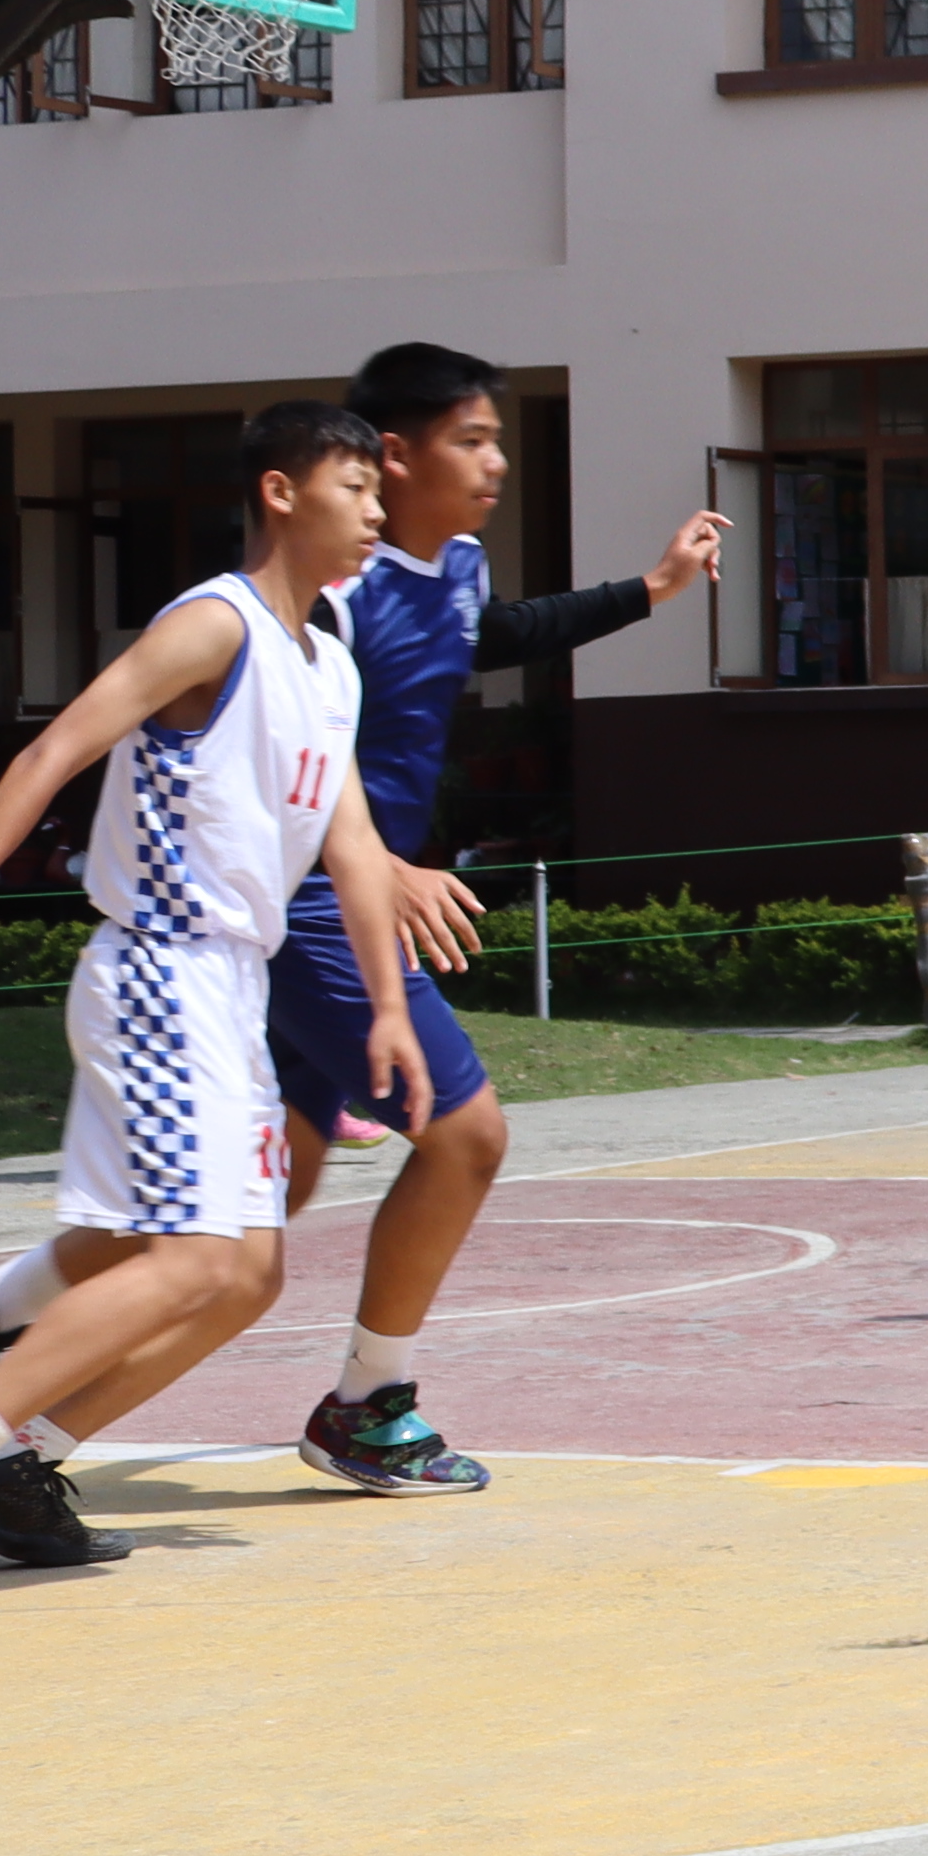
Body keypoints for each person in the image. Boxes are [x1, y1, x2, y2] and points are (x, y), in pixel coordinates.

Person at [0, 407, 429, 1573]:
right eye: (354, 485)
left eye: (377, 492)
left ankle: (6, 1460)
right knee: (199, 1256)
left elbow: (352, 849)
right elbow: (54, 750)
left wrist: (390, 1009)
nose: (373, 511)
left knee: (242, 1272)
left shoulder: (331, 665)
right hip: (159, 963)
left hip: (225, 986)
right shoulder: (216, 625)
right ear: (280, 492)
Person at [243, 343, 725, 1496]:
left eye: (497, 438)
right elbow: (269, 762)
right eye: (473, 438)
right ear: (391, 456)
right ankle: (369, 1402)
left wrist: (650, 591)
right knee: (465, 1136)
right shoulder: (324, 602)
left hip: (339, 900)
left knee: (271, 1190)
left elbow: (493, 633)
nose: (497, 460)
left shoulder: (451, 566)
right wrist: (382, 866)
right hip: (314, 901)